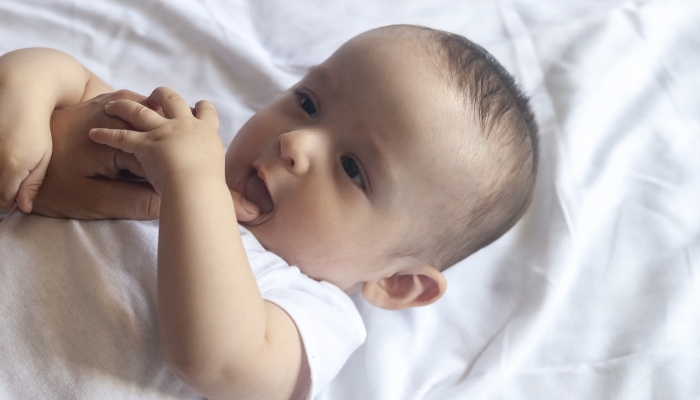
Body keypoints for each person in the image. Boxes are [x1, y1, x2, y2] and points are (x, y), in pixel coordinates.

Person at [0, 24, 538, 400]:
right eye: (307, 103)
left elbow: (215, 360)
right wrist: (24, 100)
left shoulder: (310, 314)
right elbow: (68, 78)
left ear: (397, 285)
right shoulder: (174, 145)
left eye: (352, 169)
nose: (296, 142)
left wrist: (193, 184)